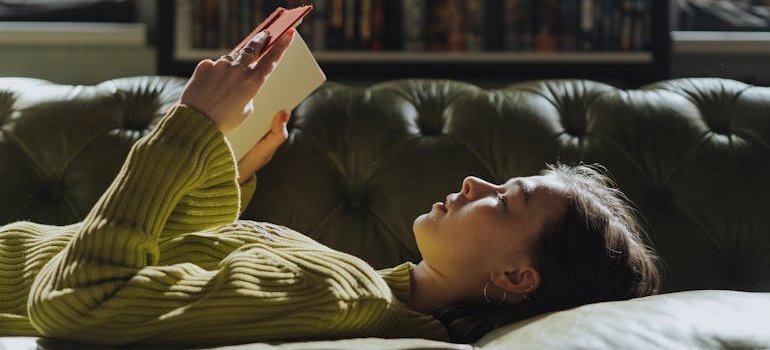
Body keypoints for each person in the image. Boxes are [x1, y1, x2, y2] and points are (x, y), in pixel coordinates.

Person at [0, 28, 660, 346]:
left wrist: (187, 129)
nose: (472, 180)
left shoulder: (341, 294)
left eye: (505, 198)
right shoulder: (357, 283)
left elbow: (78, 300)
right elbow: (167, 266)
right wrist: (223, 167)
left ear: (518, 279)